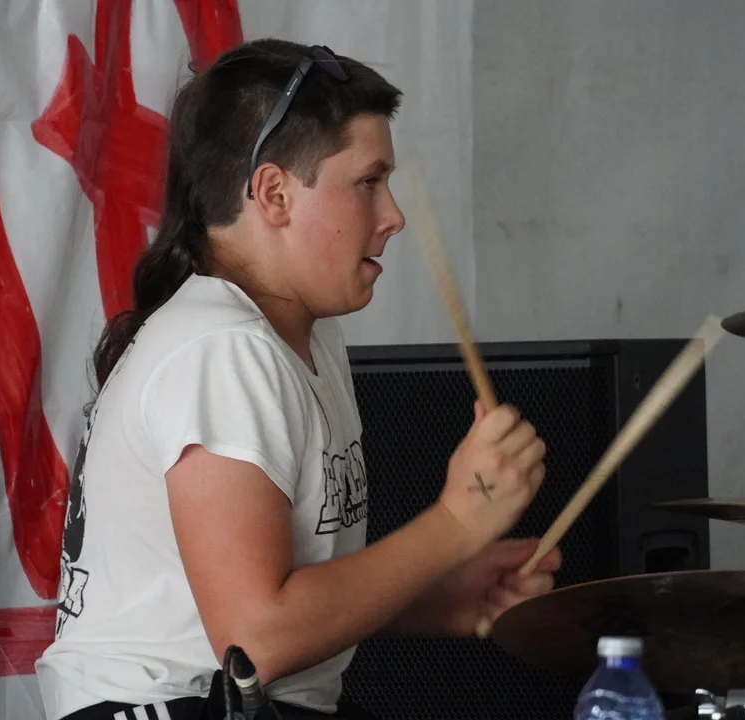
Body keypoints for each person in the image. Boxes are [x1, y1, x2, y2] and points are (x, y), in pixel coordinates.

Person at [34, 38, 562, 720]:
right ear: (275, 194)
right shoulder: (223, 348)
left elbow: (272, 600)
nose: (393, 216)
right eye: (368, 182)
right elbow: (252, 640)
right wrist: (458, 520)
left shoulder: (302, 338)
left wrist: (434, 593)